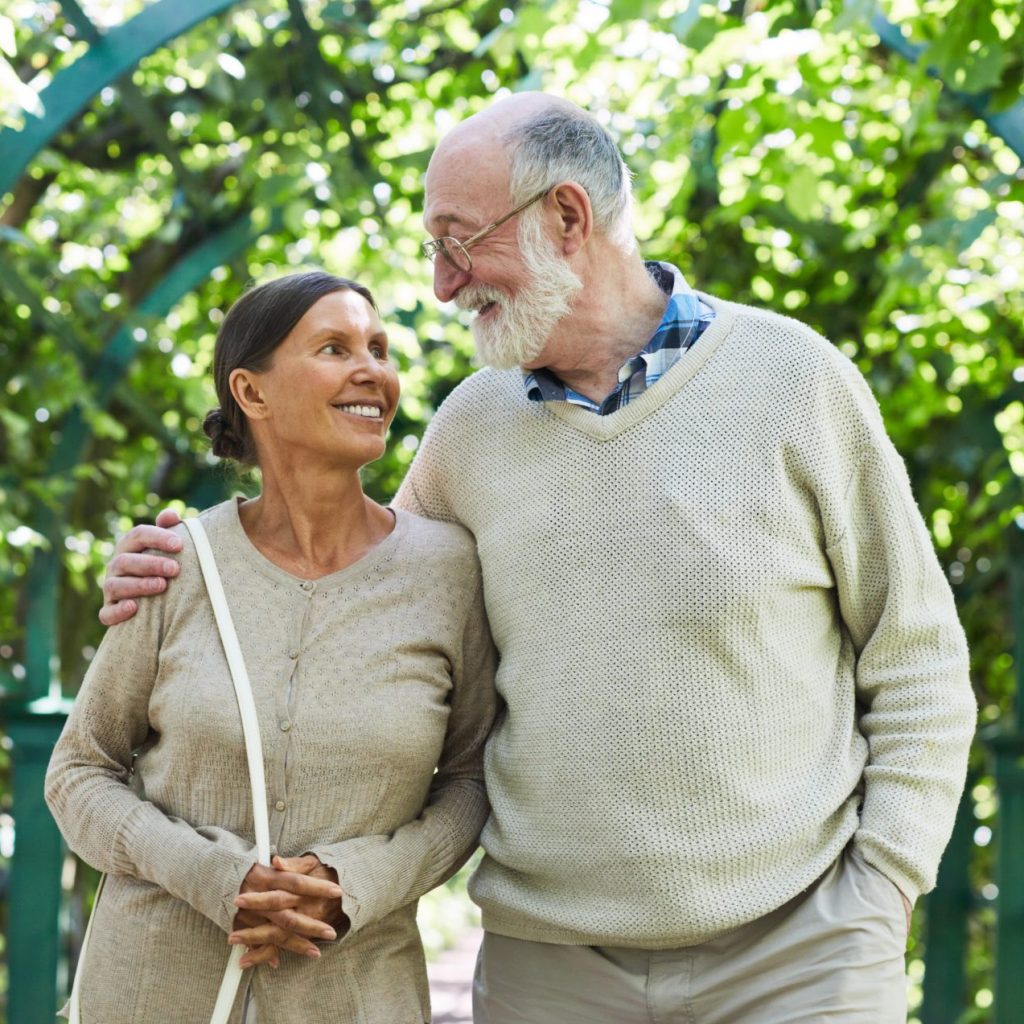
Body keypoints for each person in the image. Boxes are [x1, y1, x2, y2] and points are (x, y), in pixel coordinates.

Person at [99, 94, 977, 1023]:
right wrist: (186, 567)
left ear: (567, 216)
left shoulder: (796, 382)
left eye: (459, 241)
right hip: (552, 972)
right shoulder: (470, 429)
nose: (443, 285)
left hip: (801, 956)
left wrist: (883, 888)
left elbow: (915, 656)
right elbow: (355, 597)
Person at [47, 270, 496, 1024]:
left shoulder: (448, 571)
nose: (373, 371)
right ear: (252, 394)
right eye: (334, 347)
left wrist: (352, 882)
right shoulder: (175, 564)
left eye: (379, 349)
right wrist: (215, 876)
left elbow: (474, 779)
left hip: (358, 996)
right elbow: (78, 772)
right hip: (153, 992)